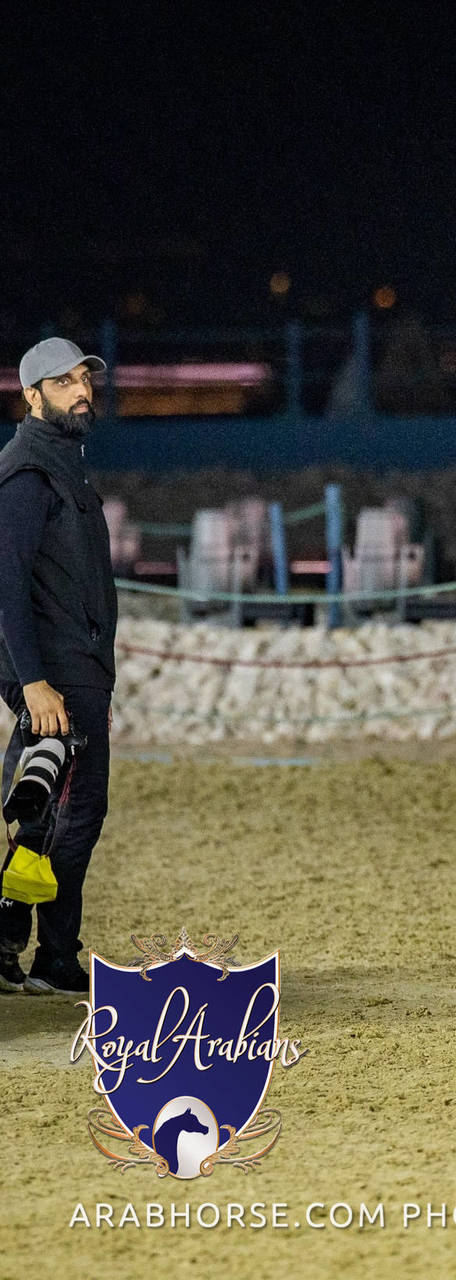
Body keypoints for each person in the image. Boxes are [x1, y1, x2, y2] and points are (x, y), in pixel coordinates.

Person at [0, 337, 118, 996]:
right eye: (64, 382)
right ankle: (53, 955)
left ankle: (19, 945)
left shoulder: (64, 471)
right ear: (32, 395)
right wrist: (34, 684)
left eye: (84, 379)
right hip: (56, 677)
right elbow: (7, 587)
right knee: (71, 811)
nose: (81, 391)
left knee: (42, 811)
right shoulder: (27, 476)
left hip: (78, 670)